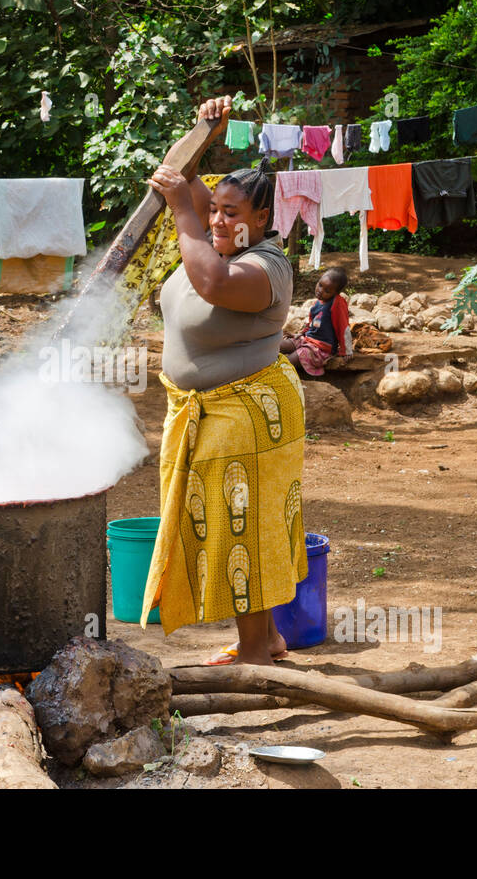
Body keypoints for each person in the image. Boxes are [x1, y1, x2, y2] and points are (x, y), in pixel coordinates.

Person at [140, 95, 308, 666]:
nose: (217, 220)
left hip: (247, 415)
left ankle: (259, 652)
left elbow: (212, 285)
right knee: (225, 530)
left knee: (246, 530)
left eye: (232, 213)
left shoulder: (265, 267)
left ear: (262, 220)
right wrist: (203, 129)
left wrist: (184, 211)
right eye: (214, 209)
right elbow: (172, 176)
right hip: (199, 411)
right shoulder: (208, 244)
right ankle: (265, 639)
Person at [281, 267, 351, 377]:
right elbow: (312, 324)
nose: (320, 290)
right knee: (278, 345)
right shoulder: (317, 304)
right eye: (320, 285)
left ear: (336, 293)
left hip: (321, 348)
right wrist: (299, 334)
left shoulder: (337, 303)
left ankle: (276, 377)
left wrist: (346, 350)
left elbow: (343, 327)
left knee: (291, 359)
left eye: (327, 291)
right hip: (307, 340)